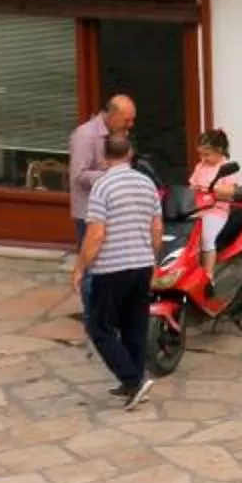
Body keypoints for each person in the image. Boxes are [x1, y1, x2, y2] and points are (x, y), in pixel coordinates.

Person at [74, 133, 163, 408]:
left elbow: (96, 234)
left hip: (112, 268)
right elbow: (157, 227)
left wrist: (80, 268)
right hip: (141, 264)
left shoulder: (102, 186)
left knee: (98, 326)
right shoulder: (147, 183)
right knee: (134, 325)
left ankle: (133, 381)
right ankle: (133, 381)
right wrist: (153, 258)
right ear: (130, 153)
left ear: (104, 156)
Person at [66, 92, 134, 286]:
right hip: (90, 214)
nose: (130, 125)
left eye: (132, 120)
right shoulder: (85, 135)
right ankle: (91, 305)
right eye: (126, 120)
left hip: (115, 211)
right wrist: (113, 175)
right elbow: (79, 176)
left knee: (111, 269)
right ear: (111, 115)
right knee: (92, 269)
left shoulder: (119, 133)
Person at [186, 130, 242, 282]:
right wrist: (193, 189)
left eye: (207, 154)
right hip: (198, 209)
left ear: (219, 150)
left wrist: (213, 188)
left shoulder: (225, 167)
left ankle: (208, 276)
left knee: (206, 237)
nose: (203, 158)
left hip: (216, 211)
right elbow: (192, 185)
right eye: (201, 154)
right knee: (187, 237)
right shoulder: (200, 166)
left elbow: (231, 191)